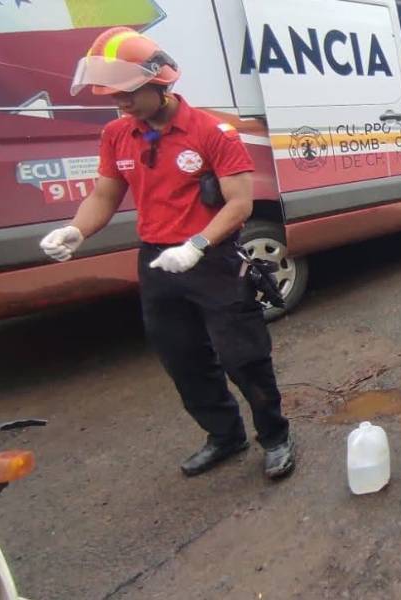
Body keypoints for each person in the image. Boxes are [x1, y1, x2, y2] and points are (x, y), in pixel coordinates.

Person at [39, 27, 295, 479]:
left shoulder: (214, 132)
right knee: (183, 359)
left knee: (244, 357)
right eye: (111, 95)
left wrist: (196, 245)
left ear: (162, 84)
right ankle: (225, 436)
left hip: (214, 261)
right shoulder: (118, 134)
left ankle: (275, 437)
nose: (119, 103)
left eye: (128, 93)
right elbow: (104, 195)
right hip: (158, 264)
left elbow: (240, 203)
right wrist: (76, 230)